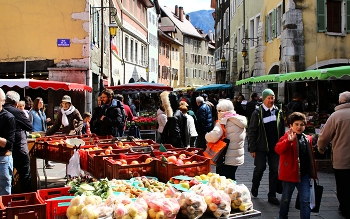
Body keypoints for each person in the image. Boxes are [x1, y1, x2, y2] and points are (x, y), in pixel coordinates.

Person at [275, 112, 318, 219]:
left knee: (305, 200)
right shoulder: (287, 137)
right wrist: (288, 141)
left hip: (304, 174)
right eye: (296, 124)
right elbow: (278, 149)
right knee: (286, 199)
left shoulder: (307, 138)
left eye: (302, 124)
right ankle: (282, 216)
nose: (299, 127)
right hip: (289, 174)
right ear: (291, 126)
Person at [248, 88, 285, 205]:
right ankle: (255, 185)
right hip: (261, 147)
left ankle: (272, 195)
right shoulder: (257, 112)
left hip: (275, 147)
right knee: (260, 168)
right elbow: (252, 131)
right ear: (263, 99)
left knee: (274, 170)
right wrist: (252, 148)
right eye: (269, 98)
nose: (271, 100)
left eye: (272, 97)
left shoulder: (278, 111)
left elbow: (282, 130)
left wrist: (283, 145)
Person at [317, 91, 350, 218]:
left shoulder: (336, 116)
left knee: (343, 185)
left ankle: (346, 209)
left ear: (340, 102)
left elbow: (324, 137)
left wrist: (321, 148)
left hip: (342, 159)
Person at [205, 99, 247, 180]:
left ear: (222, 110)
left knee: (222, 181)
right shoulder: (240, 120)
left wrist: (206, 136)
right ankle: (234, 192)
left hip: (225, 157)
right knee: (231, 177)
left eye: (219, 110)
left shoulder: (223, 120)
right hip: (237, 157)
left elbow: (213, 136)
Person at [4, 91, 33, 193]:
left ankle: (9, 197)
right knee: (25, 174)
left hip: (5, 149)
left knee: (7, 176)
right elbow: (29, 126)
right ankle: (27, 196)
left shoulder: (2, 111)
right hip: (19, 147)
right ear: (16, 103)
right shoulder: (17, 112)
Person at [29, 97, 54, 168]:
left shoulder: (42, 112)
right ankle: (33, 165)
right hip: (36, 133)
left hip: (43, 133)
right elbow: (30, 123)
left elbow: (42, 122)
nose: (41, 104)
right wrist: (30, 133)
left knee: (46, 147)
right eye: (40, 102)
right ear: (36, 103)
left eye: (42, 102)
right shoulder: (32, 112)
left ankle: (47, 162)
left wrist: (46, 121)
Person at [0, 88, 15, 195]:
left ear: (3, 101)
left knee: (4, 192)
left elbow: (9, 144)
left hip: (3, 159)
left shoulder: (8, 117)